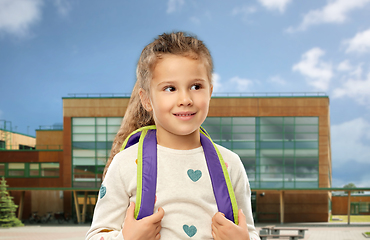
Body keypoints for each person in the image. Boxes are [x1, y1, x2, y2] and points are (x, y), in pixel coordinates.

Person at [86, 31, 260, 240]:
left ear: (210, 92)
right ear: (146, 99)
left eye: (196, 86)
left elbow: (249, 231)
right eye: (170, 88)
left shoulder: (230, 164)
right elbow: (96, 235)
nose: (185, 99)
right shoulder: (125, 165)